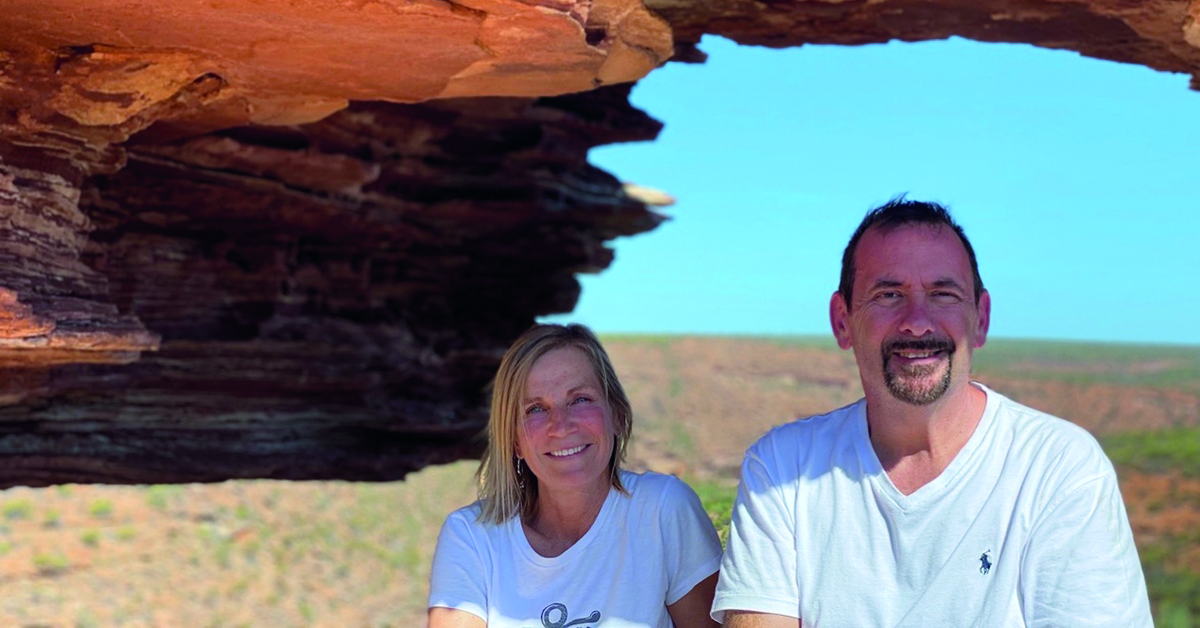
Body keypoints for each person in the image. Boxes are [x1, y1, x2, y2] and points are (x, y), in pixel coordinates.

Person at [712, 198, 1152, 627]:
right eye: (888, 295)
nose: (917, 322)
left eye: (943, 294)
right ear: (842, 320)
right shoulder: (783, 470)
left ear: (980, 318)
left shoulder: (1058, 467)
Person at [429, 323, 722, 628]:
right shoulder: (471, 537)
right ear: (513, 440)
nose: (562, 425)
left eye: (580, 399)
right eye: (535, 409)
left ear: (617, 415)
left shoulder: (662, 510)